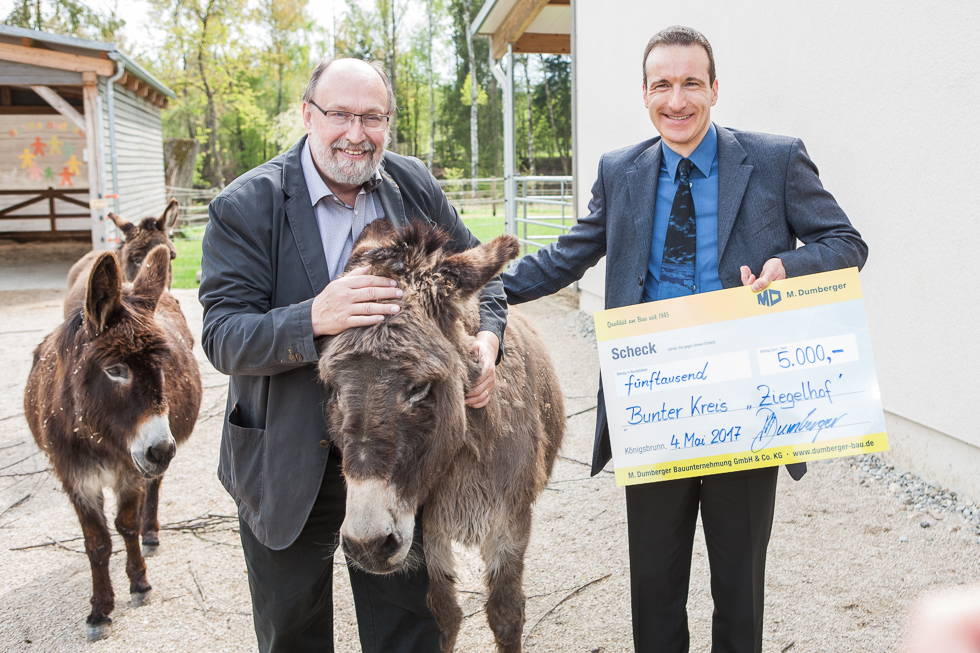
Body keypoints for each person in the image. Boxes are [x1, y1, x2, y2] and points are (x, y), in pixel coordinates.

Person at [503, 26, 868, 653]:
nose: (677, 100)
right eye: (662, 85)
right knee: (654, 585)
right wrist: (477, 289)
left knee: (739, 584)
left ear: (715, 89)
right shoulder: (620, 171)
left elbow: (847, 244)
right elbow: (567, 257)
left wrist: (789, 265)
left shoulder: (776, 160)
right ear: (645, 94)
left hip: (745, 402)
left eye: (691, 83)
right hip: (652, 401)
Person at [199, 57, 506, 653]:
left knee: (409, 632)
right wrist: (313, 317)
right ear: (307, 115)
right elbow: (223, 336)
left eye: (372, 118)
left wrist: (488, 341)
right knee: (292, 633)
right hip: (289, 460)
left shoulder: (412, 183)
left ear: (389, 122)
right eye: (340, 114)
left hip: (401, 458)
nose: (356, 133)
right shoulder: (246, 205)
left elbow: (483, 282)